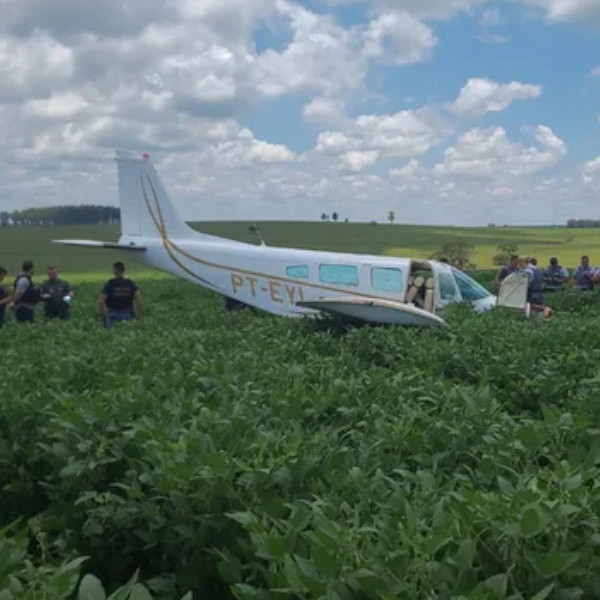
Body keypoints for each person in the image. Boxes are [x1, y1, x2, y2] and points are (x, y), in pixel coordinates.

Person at [98, 262, 142, 329]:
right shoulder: (130, 283)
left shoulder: (110, 284)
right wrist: (139, 316)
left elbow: (101, 301)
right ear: (123, 271)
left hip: (113, 315)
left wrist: (101, 316)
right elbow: (139, 300)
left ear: (114, 271)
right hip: (128, 314)